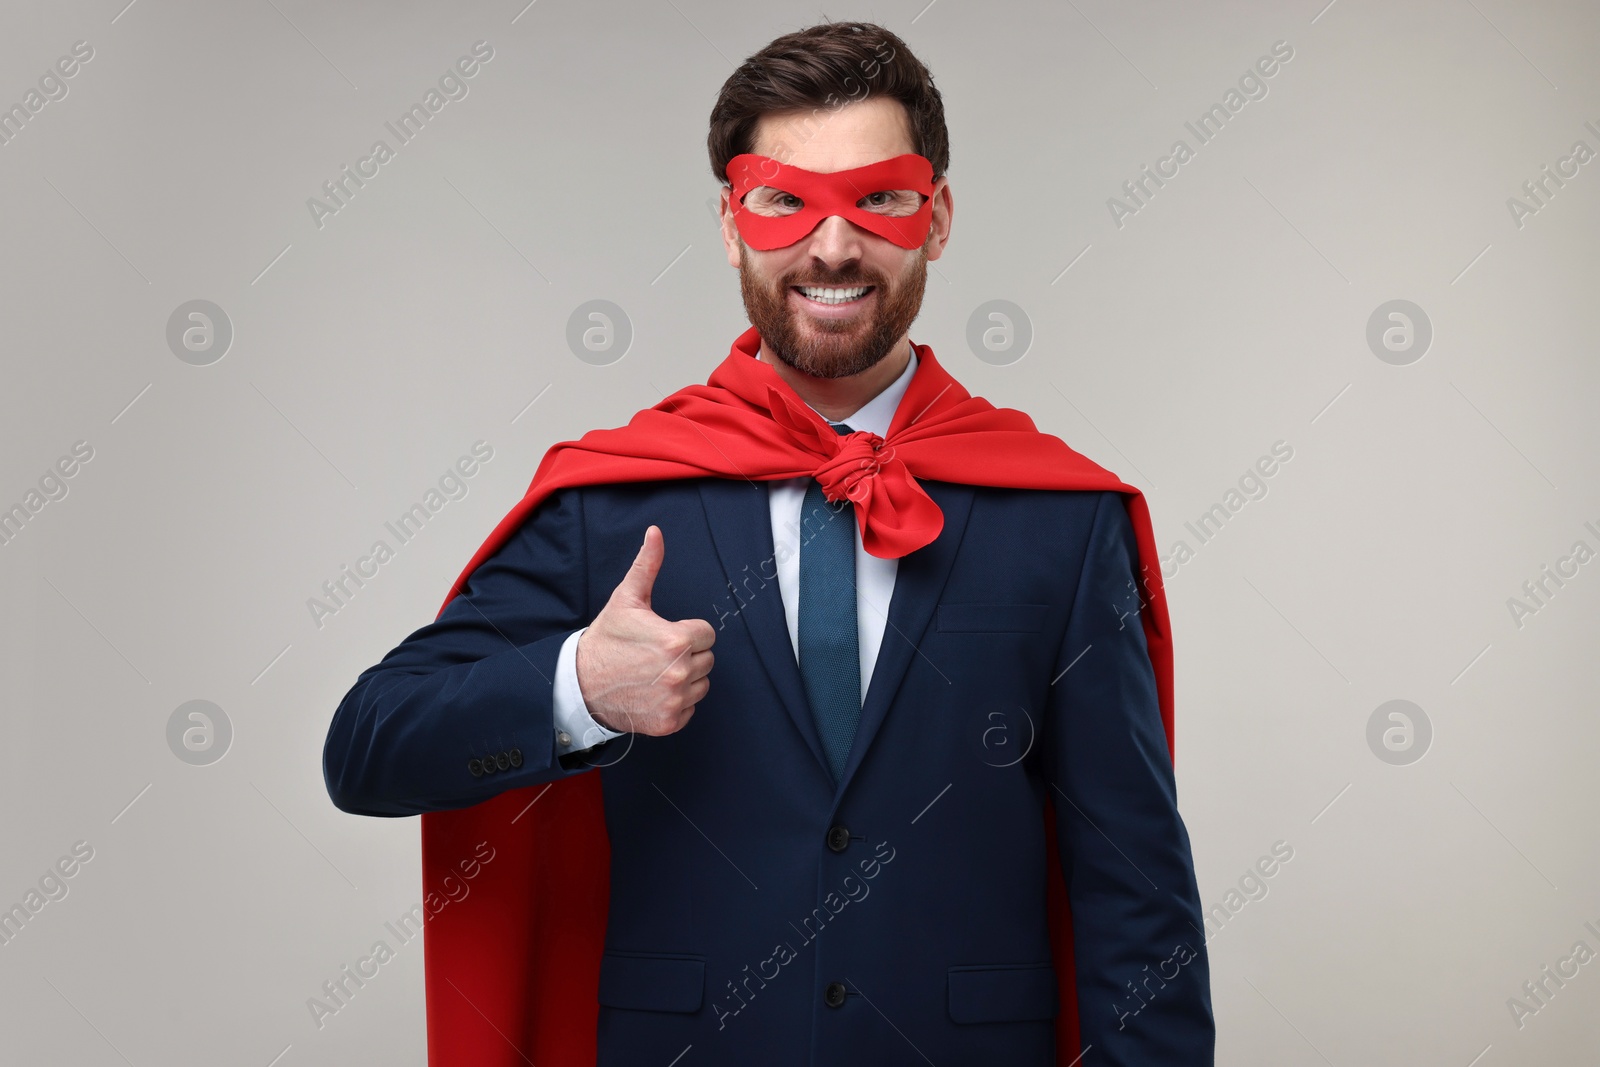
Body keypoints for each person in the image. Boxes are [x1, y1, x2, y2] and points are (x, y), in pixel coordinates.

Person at [323, 20, 1213, 1067]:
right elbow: (367, 747)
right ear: (729, 223)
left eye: (878, 198)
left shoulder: (1061, 517)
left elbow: (1134, 888)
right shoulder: (610, 502)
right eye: (785, 201)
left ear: (936, 219)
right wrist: (577, 688)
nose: (832, 247)